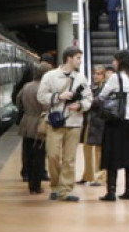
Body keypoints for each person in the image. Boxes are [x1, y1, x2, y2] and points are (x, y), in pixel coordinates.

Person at [37, 46, 93, 202]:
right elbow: (41, 97)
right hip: (54, 121)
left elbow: (89, 98)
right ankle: (55, 185)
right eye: (78, 58)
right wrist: (59, 96)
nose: (80, 61)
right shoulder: (50, 76)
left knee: (69, 158)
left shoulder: (81, 78)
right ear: (69, 58)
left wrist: (80, 105)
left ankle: (65, 190)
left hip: (74, 122)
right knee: (53, 156)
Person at [98, 50, 129, 201]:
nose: (113, 63)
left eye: (115, 60)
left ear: (121, 62)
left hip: (116, 120)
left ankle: (111, 191)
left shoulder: (115, 78)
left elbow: (102, 95)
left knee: (112, 155)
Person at [17, 62, 51, 194]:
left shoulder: (26, 86)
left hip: (26, 122)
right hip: (39, 123)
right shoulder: (43, 89)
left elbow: (18, 101)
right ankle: (36, 186)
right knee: (39, 155)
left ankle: (30, 181)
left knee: (28, 154)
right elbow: (46, 107)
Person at [77, 66, 107, 186]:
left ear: (104, 76)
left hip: (100, 123)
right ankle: (88, 175)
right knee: (87, 149)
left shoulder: (105, 89)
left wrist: (87, 103)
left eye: (99, 74)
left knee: (99, 151)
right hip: (90, 122)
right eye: (95, 73)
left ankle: (100, 177)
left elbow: (98, 102)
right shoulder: (92, 88)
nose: (96, 76)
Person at [12, 63, 35, 181]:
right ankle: (38, 172)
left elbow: (15, 101)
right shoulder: (36, 86)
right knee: (38, 148)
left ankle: (25, 172)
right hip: (37, 120)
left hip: (24, 120)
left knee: (26, 147)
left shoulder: (20, 86)